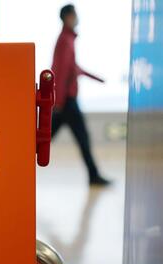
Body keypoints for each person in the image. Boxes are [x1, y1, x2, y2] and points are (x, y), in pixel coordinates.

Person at [52, 4, 110, 186]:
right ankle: (93, 176)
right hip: (67, 102)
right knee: (82, 138)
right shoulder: (65, 41)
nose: (77, 18)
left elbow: (73, 68)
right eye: (75, 15)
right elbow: (59, 72)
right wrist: (58, 101)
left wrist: (96, 78)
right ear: (68, 17)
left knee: (43, 140)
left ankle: (93, 175)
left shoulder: (67, 39)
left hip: (66, 102)